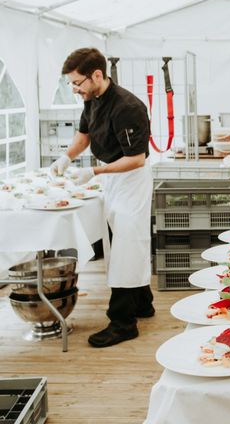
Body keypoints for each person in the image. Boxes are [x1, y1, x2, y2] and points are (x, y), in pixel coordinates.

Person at [51, 48, 154, 347]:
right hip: (111, 177)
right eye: (70, 83)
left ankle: (123, 323)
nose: (74, 89)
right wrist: (66, 158)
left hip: (131, 179)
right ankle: (143, 303)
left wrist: (95, 172)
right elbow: (84, 135)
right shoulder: (91, 99)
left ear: (97, 74)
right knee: (120, 241)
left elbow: (136, 158)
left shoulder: (127, 106)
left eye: (77, 82)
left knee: (127, 246)